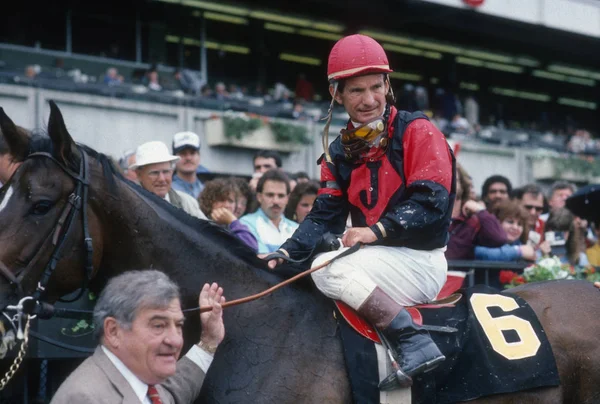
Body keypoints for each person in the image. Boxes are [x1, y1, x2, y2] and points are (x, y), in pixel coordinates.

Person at [268, 34, 456, 389]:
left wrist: (375, 232)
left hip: (420, 261)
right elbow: (323, 214)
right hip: (375, 260)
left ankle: (412, 340)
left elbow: (432, 203)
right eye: (356, 91)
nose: (369, 100)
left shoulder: (418, 130)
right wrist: (283, 253)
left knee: (325, 270)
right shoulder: (337, 153)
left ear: (387, 84)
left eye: (376, 87)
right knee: (300, 271)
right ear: (337, 94)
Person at [51, 270, 225, 403]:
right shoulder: (84, 398)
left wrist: (209, 340)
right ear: (113, 331)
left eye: (178, 325)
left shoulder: (144, 383)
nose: (175, 340)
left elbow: (172, 391)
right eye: (158, 326)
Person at [446, 163, 507, 260]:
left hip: (459, 274)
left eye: (453, 179)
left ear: (463, 184)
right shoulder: (430, 215)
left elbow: (499, 238)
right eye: (443, 179)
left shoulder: (473, 220)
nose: (448, 183)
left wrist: (481, 211)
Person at [132, 141, 207, 220]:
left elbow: (208, 231)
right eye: (154, 173)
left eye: (166, 172)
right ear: (139, 174)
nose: (161, 179)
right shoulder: (130, 205)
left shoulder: (187, 202)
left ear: (172, 171)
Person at [240, 169, 298, 254]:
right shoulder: (245, 224)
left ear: (287, 198)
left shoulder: (297, 228)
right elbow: (263, 261)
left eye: (281, 196)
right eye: (270, 195)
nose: (276, 201)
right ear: (259, 197)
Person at [199, 178, 258, 251]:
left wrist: (233, 222)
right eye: (221, 200)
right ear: (209, 201)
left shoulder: (234, 226)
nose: (227, 205)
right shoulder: (201, 223)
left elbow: (252, 249)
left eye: (231, 201)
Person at [171, 131, 205, 199]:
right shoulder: (168, 190)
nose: (188, 158)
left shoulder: (206, 190)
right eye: (183, 153)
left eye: (192, 153)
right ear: (174, 158)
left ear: (199, 156)